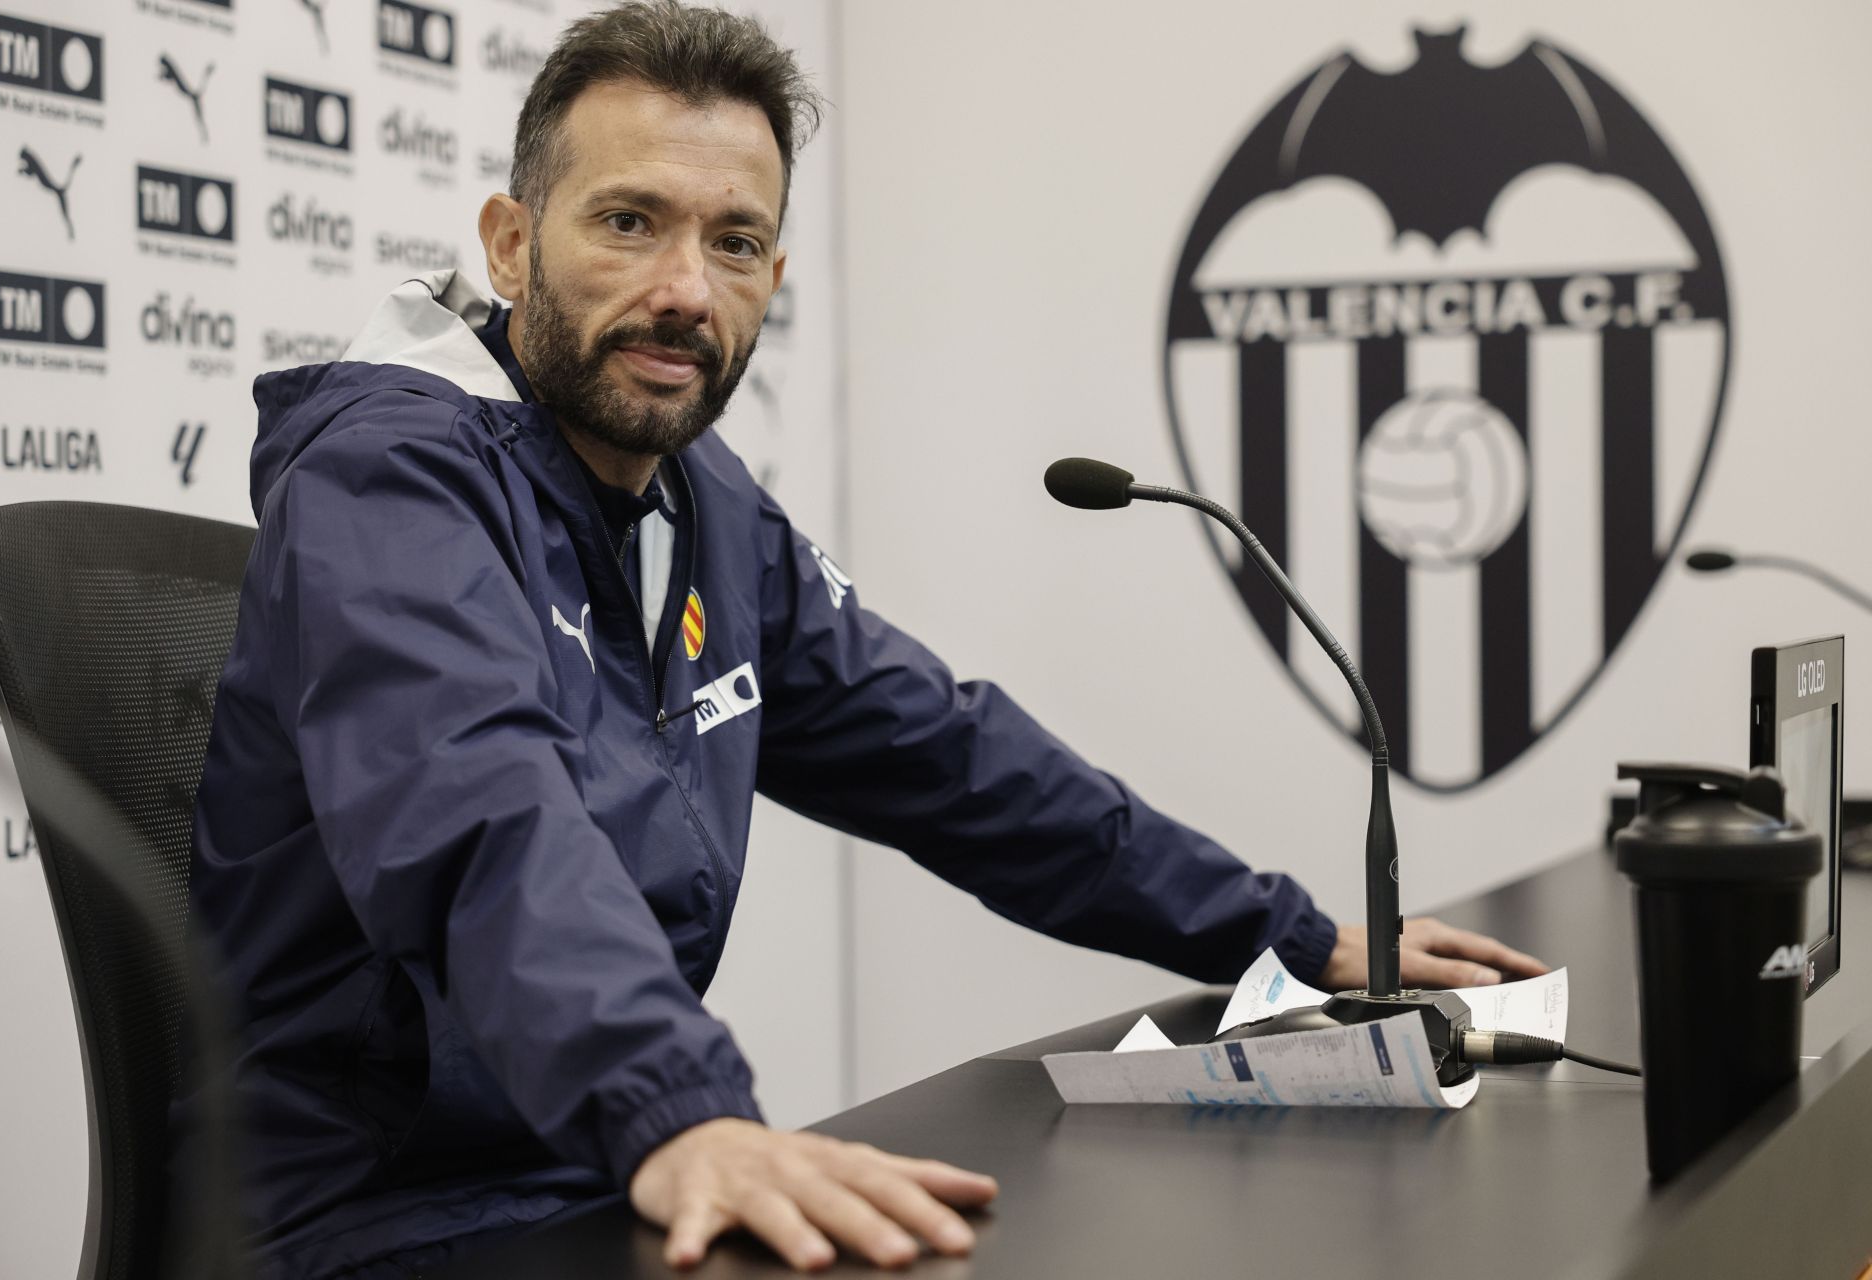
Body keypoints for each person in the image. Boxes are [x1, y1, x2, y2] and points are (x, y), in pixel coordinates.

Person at [185, 3, 1547, 1275]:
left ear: (773, 274)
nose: (682, 290)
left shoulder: (699, 500)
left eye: (731, 244)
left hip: (592, 1171)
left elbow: (948, 756)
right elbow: (478, 808)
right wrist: (680, 1113)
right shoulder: (390, 477)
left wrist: (1288, 933)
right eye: (627, 222)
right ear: (508, 241)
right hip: (375, 1217)